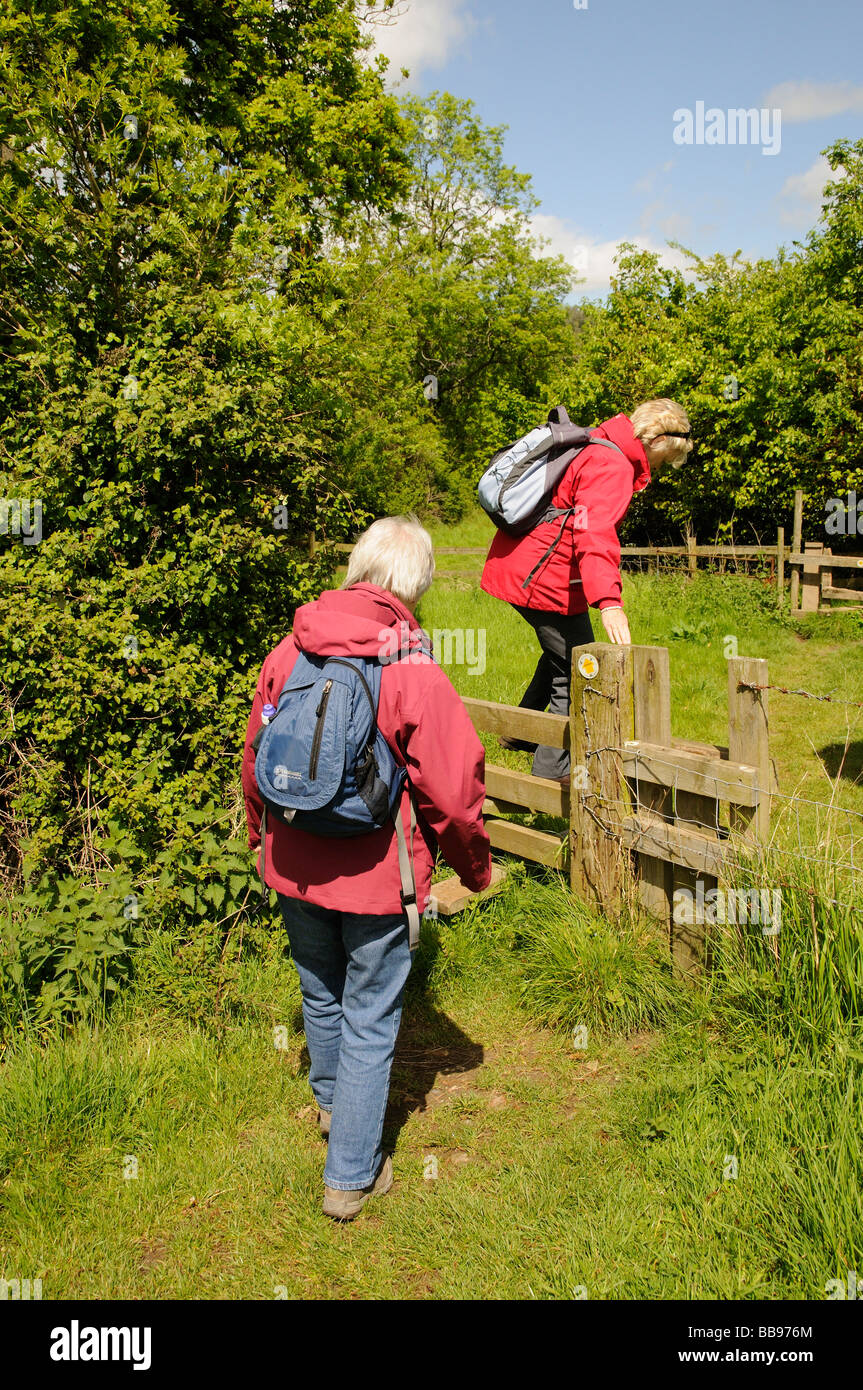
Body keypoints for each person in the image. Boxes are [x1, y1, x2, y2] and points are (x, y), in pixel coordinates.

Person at [242, 516, 492, 1220]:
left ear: (357, 569)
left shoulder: (287, 649)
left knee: (319, 994)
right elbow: (452, 786)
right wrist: (474, 870)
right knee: (371, 1017)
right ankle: (349, 1174)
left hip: (291, 864)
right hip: (378, 875)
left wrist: (263, 836)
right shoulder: (409, 665)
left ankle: (331, 1110)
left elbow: (255, 759)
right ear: (413, 586)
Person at [480, 399, 693, 780]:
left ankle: (520, 733)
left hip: (532, 566)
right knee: (578, 670)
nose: (662, 468)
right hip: (545, 577)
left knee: (562, 652)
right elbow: (593, 533)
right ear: (657, 442)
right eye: (667, 459)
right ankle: (550, 776)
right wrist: (609, 601)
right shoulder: (612, 465)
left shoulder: (598, 441)